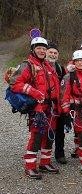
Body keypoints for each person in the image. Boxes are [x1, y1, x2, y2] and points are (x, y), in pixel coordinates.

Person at [9, 37, 60, 179]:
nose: (42, 51)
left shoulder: (48, 65)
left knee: (49, 136)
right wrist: (33, 91)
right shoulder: (28, 65)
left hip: (51, 108)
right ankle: (30, 166)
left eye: (44, 48)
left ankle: (45, 162)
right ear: (33, 49)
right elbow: (15, 83)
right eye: (39, 48)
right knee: (36, 136)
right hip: (38, 108)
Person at [46, 41, 68, 164]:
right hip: (45, 105)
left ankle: (60, 154)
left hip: (59, 105)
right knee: (45, 130)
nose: (53, 55)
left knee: (60, 131)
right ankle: (44, 157)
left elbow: (65, 86)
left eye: (55, 53)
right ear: (46, 53)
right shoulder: (40, 66)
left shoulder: (60, 68)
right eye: (50, 52)